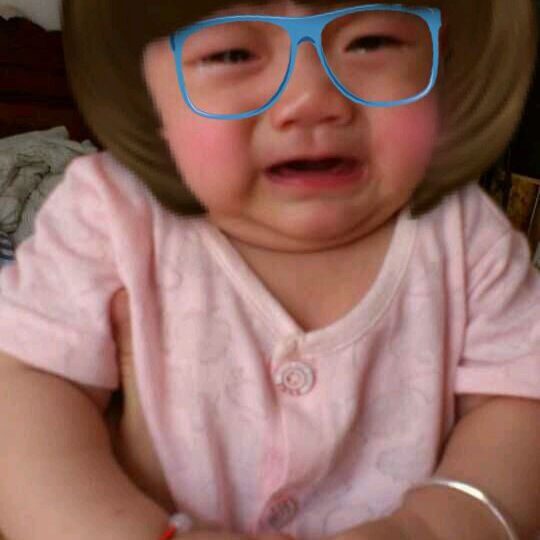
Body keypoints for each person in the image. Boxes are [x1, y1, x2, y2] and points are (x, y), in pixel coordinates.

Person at [0, 1, 539, 539]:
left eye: (370, 42)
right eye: (233, 53)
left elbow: (520, 403)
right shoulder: (113, 214)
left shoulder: (463, 233)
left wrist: (435, 525)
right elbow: (23, 392)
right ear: (141, 86)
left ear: (441, 61)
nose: (311, 100)